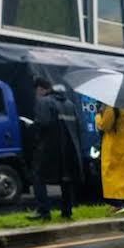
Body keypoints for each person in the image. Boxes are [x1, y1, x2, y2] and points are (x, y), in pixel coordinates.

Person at [28, 79, 82, 221]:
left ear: (40, 89)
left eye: (37, 92)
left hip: (49, 148)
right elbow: (77, 126)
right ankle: (67, 212)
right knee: (66, 179)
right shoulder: (70, 104)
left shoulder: (44, 102)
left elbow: (43, 123)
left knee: (38, 177)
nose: (36, 95)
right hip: (69, 148)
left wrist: (32, 128)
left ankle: (43, 211)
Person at [95, 104, 124, 214]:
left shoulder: (113, 107)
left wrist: (98, 116)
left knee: (113, 176)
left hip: (115, 147)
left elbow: (104, 125)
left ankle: (117, 205)